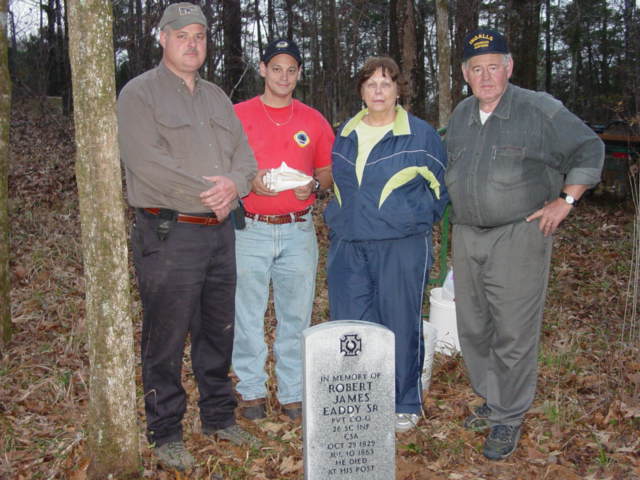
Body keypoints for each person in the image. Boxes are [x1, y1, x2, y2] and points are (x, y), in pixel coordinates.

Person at [445, 28, 604, 460]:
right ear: (465, 74)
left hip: (518, 235)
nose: (486, 76)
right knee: (474, 328)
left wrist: (566, 201)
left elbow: (589, 148)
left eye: (494, 66)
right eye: (476, 69)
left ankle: (509, 416)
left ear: (509, 67)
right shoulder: (461, 114)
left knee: (513, 330)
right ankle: (492, 399)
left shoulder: (539, 109)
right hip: (467, 235)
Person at [117, 2, 259, 471]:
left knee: (217, 330)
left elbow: (244, 156)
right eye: (182, 35)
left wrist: (235, 185)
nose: (192, 42)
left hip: (220, 234)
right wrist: (213, 193)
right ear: (162, 38)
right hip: (169, 233)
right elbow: (146, 163)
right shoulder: (139, 95)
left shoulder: (218, 97)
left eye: (199, 35)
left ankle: (218, 416)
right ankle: (166, 431)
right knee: (166, 335)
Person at [324, 56, 449, 433]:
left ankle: (404, 400)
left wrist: (408, 218)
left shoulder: (420, 134)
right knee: (351, 323)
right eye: (370, 84)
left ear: (398, 90)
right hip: (349, 244)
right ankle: (363, 396)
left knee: (399, 321)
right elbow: (339, 186)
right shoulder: (345, 132)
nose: (378, 91)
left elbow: (440, 190)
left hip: (401, 245)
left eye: (386, 83)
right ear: (361, 91)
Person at [232, 39, 334, 421]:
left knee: (296, 314)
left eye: (291, 70)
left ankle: (292, 391)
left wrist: (316, 186)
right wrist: (249, 180)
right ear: (262, 69)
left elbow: (326, 168)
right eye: (276, 68)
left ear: (299, 75)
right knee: (248, 312)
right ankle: (251, 390)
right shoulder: (238, 115)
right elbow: (224, 163)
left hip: (297, 229)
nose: (284, 76)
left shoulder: (312, 119)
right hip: (251, 229)